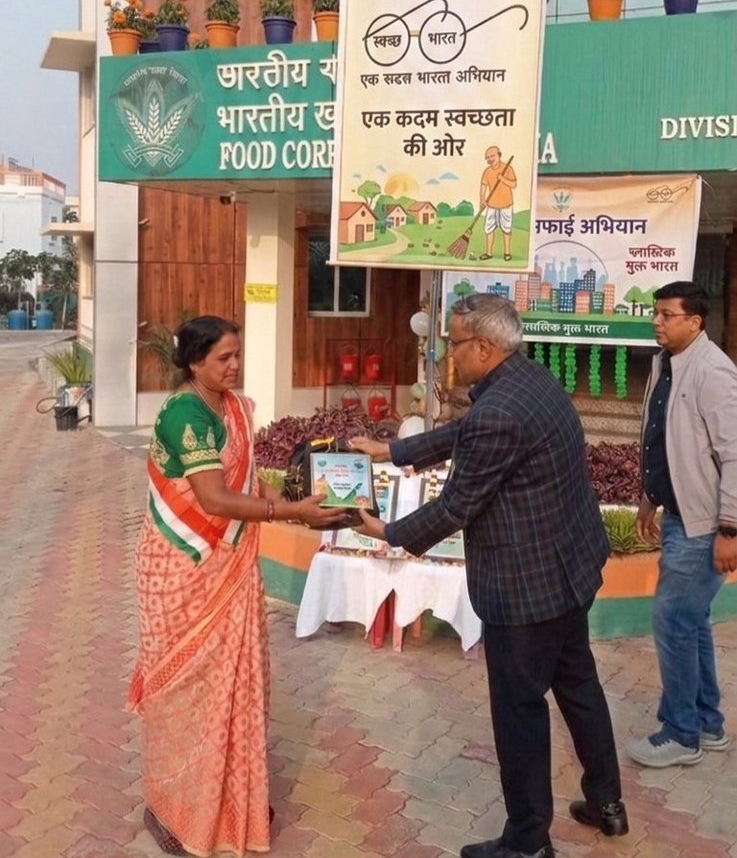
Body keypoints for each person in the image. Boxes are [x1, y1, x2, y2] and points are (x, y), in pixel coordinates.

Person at [353, 294, 626, 858]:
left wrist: (389, 532)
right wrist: (395, 450)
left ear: (483, 346)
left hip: (527, 588)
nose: (447, 354)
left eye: (453, 343)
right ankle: (606, 804)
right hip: (569, 570)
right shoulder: (528, 380)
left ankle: (528, 843)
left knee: (520, 710)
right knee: (579, 687)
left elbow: (456, 507)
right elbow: (468, 433)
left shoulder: (500, 410)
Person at [128, 316, 346, 857]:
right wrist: (290, 510)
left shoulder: (232, 409)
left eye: (237, 355)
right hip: (184, 567)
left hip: (228, 565)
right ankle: (181, 809)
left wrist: (299, 498)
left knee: (235, 687)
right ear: (194, 362)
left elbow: (242, 485)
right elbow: (216, 500)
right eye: (223, 358)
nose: (234, 365)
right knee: (189, 693)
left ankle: (231, 802)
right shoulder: (186, 413)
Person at [626, 281, 737, 769]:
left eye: (668, 315)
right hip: (678, 513)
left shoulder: (714, 372)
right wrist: (649, 498)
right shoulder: (665, 363)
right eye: (657, 313)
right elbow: (661, 437)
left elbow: (735, 455)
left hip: (706, 523)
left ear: (695, 322)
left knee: (672, 619)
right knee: (690, 623)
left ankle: (681, 733)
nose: (658, 321)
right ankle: (707, 724)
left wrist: (730, 529)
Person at [479, 145, 516, 261]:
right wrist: (482, 200)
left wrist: (502, 179)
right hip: (491, 205)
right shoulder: (487, 172)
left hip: (506, 204)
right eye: (487, 158)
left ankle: (507, 253)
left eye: (492, 156)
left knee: (506, 229)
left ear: (499, 155)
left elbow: (514, 185)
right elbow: (483, 188)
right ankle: (489, 253)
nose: (490, 159)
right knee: (489, 229)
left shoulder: (508, 168)